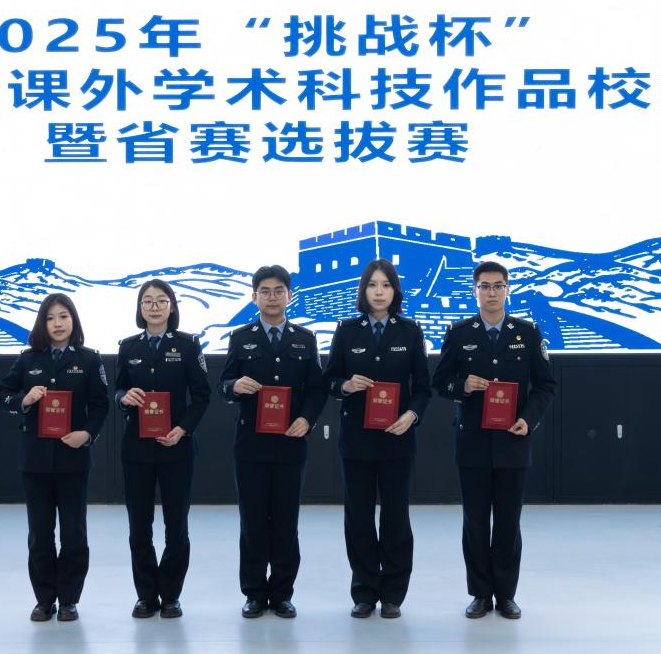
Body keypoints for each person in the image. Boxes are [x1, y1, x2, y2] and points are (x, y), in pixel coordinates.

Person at [431, 261, 555, 621]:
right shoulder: (459, 334)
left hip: (513, 441)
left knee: (507, 522)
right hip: (472, 442)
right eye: (484, 286)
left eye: (498, 285)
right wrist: (463, 386)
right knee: (475, 522)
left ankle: (506, 594)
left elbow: (545, 385)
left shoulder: (527, 334)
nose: (491, 292)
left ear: (507, 290)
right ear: (475, 291)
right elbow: (440, 382)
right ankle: (480, 594)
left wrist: (528, 419)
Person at [322, 259, 431, 619]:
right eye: (372, 285)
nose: (379, 292)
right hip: (357, 440)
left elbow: (423, 388)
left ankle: (394, 594)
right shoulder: (346, 330)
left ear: (395, 291)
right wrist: (346, 385)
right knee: (359, 518)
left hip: (397, 440)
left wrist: (412, 415)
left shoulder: (411, 332)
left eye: (386, 285)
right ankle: (365, 592)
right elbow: (329, 380)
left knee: (396, 517)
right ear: (363, 290)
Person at [218, 265, 328, 619]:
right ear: (254, 297)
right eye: (264, 291)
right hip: (250, 444)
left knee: (285, 521)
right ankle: (253, 593)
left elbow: (317, 389)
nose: (272, 297)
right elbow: (224, 384)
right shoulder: (240, 337)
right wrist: (234, 387)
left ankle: (281, 593)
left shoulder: (305, 339)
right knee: (252, 521)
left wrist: (307, 419)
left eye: (279, 290)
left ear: (289, 295)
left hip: (291, 444)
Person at [0, 293, 107, 623]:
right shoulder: (28, 358)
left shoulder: (89, 359)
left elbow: (100, 406)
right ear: (42, 323)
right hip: (35, 461)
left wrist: (87, 434)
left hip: (73, 460)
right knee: (40, 534)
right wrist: (24, 400)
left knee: (73, 533)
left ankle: (69, 599)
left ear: (74, 320)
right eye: (51, 318)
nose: (58, 324)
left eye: (64, 316)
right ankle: (44, 600)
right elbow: (0, 394)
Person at [114, 279, 212, 619]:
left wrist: (183, 429)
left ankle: (170, 595)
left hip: (177, 449)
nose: (154, 306)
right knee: (139, 526)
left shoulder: (188, 345)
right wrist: (124, 398)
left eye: (161, 300)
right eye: (147, 301)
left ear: (172, 306)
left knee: (176, 525)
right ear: (140, 308)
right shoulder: (128, 347)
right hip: (137, 449)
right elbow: (118, 391)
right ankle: (145, 595)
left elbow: (202, 396)